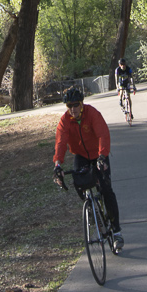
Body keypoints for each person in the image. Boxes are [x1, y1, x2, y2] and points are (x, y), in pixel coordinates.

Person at [51, 87, 123, 248]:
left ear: (82, 104)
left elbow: (103, 135)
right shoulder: (65, 121)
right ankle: (90, 208)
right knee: (78, 183)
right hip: (82, 155)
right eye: (69, 106)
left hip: (98, 154)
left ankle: (117, 232)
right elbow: (60, 143)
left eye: (75, 105)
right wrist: (58, 165)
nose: (73, 109)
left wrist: (102, 156)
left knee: (106, 189)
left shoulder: (92, 114)